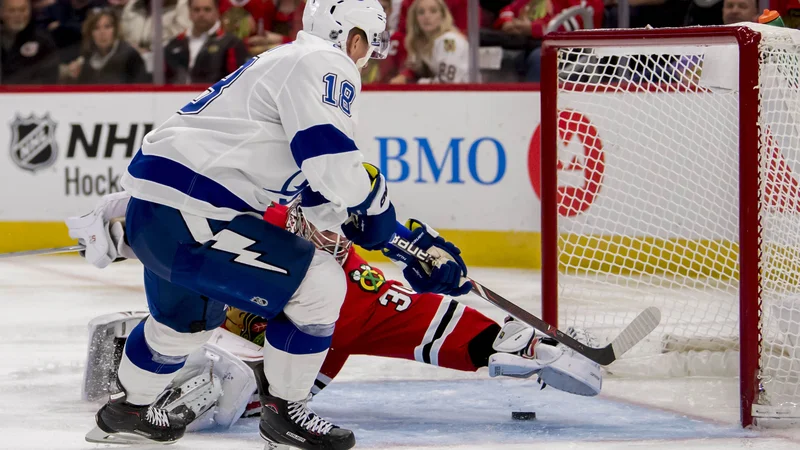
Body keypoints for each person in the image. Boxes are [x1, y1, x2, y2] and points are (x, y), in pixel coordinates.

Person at [65, 1, 474, 449]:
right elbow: (330, 162)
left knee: (186, 323)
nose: (364, 60)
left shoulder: (281, 61)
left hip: (160, 212)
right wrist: (378, 214)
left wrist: (397, 238)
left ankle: (128, 411)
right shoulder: (325, 61)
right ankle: (285, 415)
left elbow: (313, 196)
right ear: (353, 36)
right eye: (366, 47)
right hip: (198, 215)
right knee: (319, 285)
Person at [75, 199, 604, 433]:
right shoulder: (261, 215)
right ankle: (144, 382)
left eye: (335, 229)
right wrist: (121, 225)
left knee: (227, 389)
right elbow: (182, 216)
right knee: (181, 343)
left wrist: (526, 346)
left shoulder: (354, 286)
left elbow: (424, 320)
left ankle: (166, 389)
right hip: (219, 317)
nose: (325, 237)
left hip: (287, 359)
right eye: (312, 223)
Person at [163, 0, 249, 84]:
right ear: (189, 13)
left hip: (215, 96)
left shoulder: (231, 43)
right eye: (196, 10)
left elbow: (237, 81)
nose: (201, 14)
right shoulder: (174, 44)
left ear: (217, 12)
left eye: (207, 9)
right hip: (176, 96)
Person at [389, 0, 468, 84]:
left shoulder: (449, 41)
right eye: (421, 12)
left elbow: (447, 82)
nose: (427, 16)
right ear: (415, 18)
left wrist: (412, 82)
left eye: (433, 11)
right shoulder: (422, 43)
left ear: (443, 15)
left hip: (463, 94)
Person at [64, 8, 149, 84]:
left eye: (107, 27)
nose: (102, 32)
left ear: (115, 30)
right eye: (96, 28)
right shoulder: (88, 58)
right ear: (90, 33)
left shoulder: (130, 56)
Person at [0, 0, 59, 84]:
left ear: (30, 11)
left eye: (22, 10)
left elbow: (50, 78)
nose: (18, 15)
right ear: (1, 13)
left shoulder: (43, 41)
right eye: (12, 10)